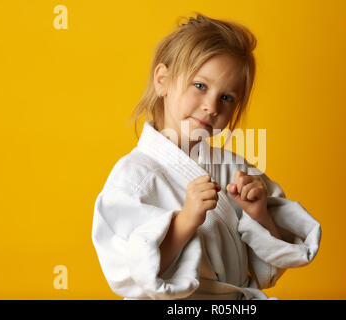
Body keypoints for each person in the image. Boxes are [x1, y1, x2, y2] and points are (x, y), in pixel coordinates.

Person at [91, 12, 322, 300]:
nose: (212, 107)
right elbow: (130, 276)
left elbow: (269, 270)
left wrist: (258, 213)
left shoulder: (236, 169)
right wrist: (186, 219)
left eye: (227, 98)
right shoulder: (135, 177)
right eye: (200, 86)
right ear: (162, 80)